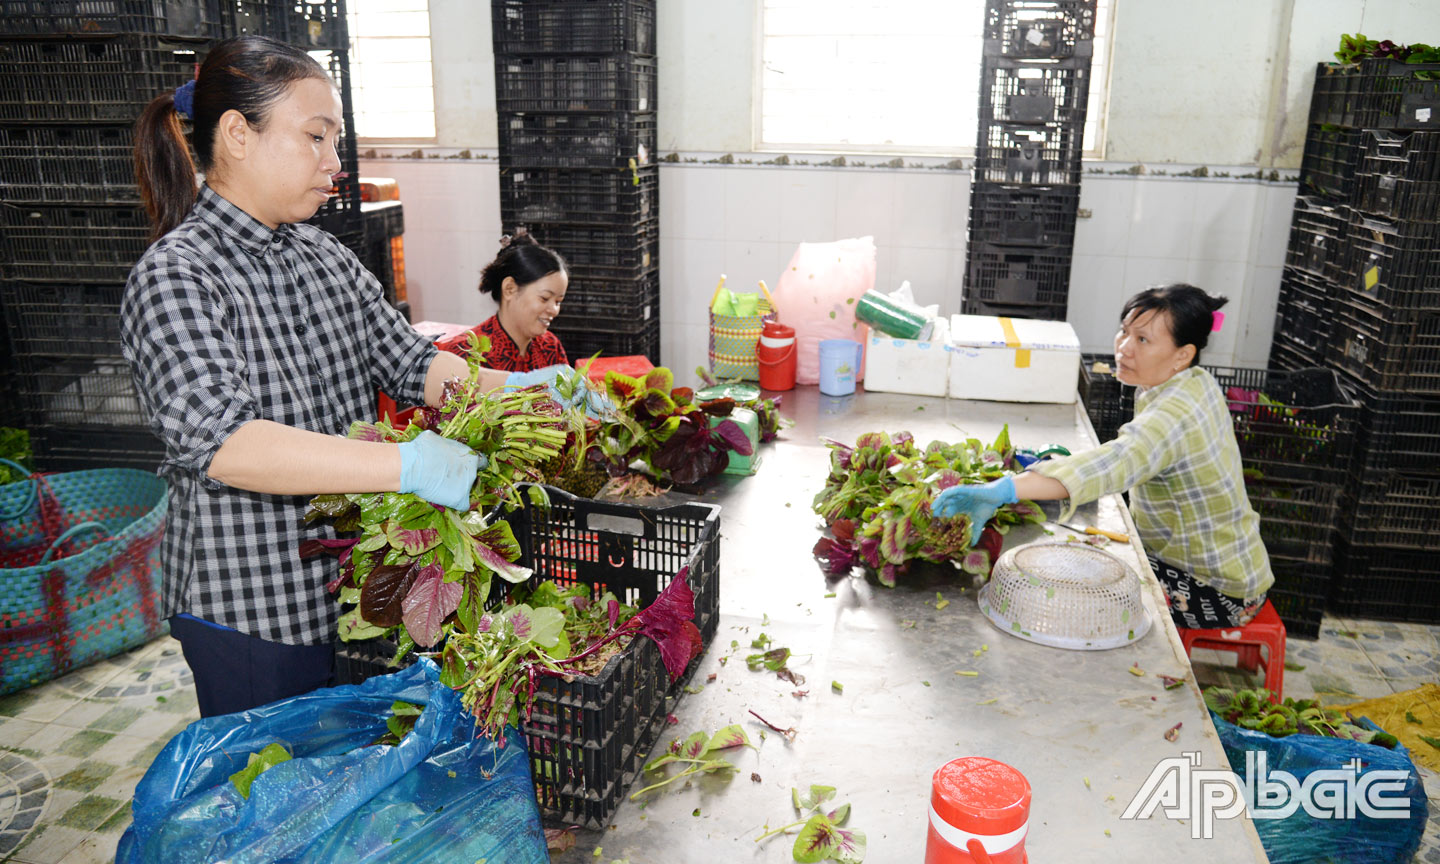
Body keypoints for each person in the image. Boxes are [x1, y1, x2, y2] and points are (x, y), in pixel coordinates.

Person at [122, 36, 570, 717]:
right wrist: (406, 465)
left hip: (348, 583)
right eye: (315, 138)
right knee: (275, 784)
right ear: (239, 134)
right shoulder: (177, 275)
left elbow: (413, 361)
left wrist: (523, 391)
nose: (334, 162)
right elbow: (227, 445)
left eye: (335, 139)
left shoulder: (321, 255)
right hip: (250, 605)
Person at [935, 284, 1272, 630]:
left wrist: (1005, 490)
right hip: (1199, 563)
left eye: (1143, 340)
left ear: (1182, 355)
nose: (1124, 347)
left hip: (1215, 588)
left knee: (1058, 597)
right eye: (1124, 332)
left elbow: (1114, 463)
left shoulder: (1178, 412)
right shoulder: (1191, 381)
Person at [443, 229, 569, 372]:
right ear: (509, 289)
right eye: (544, 298)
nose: (554, 309)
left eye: (558, 301)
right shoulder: (467, 353)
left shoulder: (550, 347)